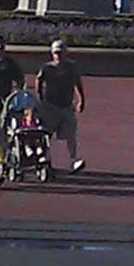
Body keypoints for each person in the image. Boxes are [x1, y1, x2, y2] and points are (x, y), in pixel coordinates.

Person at [38, 41, 86, 173]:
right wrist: (41, 100)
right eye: (56, 53)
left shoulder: (72, 67)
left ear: (65, 53)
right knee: (46, 134)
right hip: (50, 106)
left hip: (66, 105)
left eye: (60, 53)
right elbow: (39, 81)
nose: (58, 56)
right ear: (52, 54)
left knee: (71, 135)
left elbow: (77, 83)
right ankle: (45, 159)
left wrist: (81, 100)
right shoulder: (47, 68)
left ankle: (73, 160)